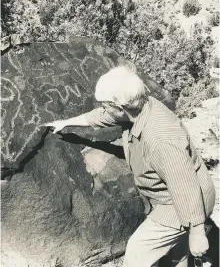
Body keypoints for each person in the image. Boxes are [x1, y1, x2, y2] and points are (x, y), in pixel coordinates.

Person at [44, 66, 215, 267]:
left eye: (106, 105)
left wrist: (196, 232)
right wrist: (66, 122)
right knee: (175, 257)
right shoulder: (141, 106)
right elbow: (104, 116)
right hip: (171, 198)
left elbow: (185, 186)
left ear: (120, 107)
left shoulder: (161, 139)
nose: (103, 109)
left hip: (181, 204)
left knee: (137, 251)